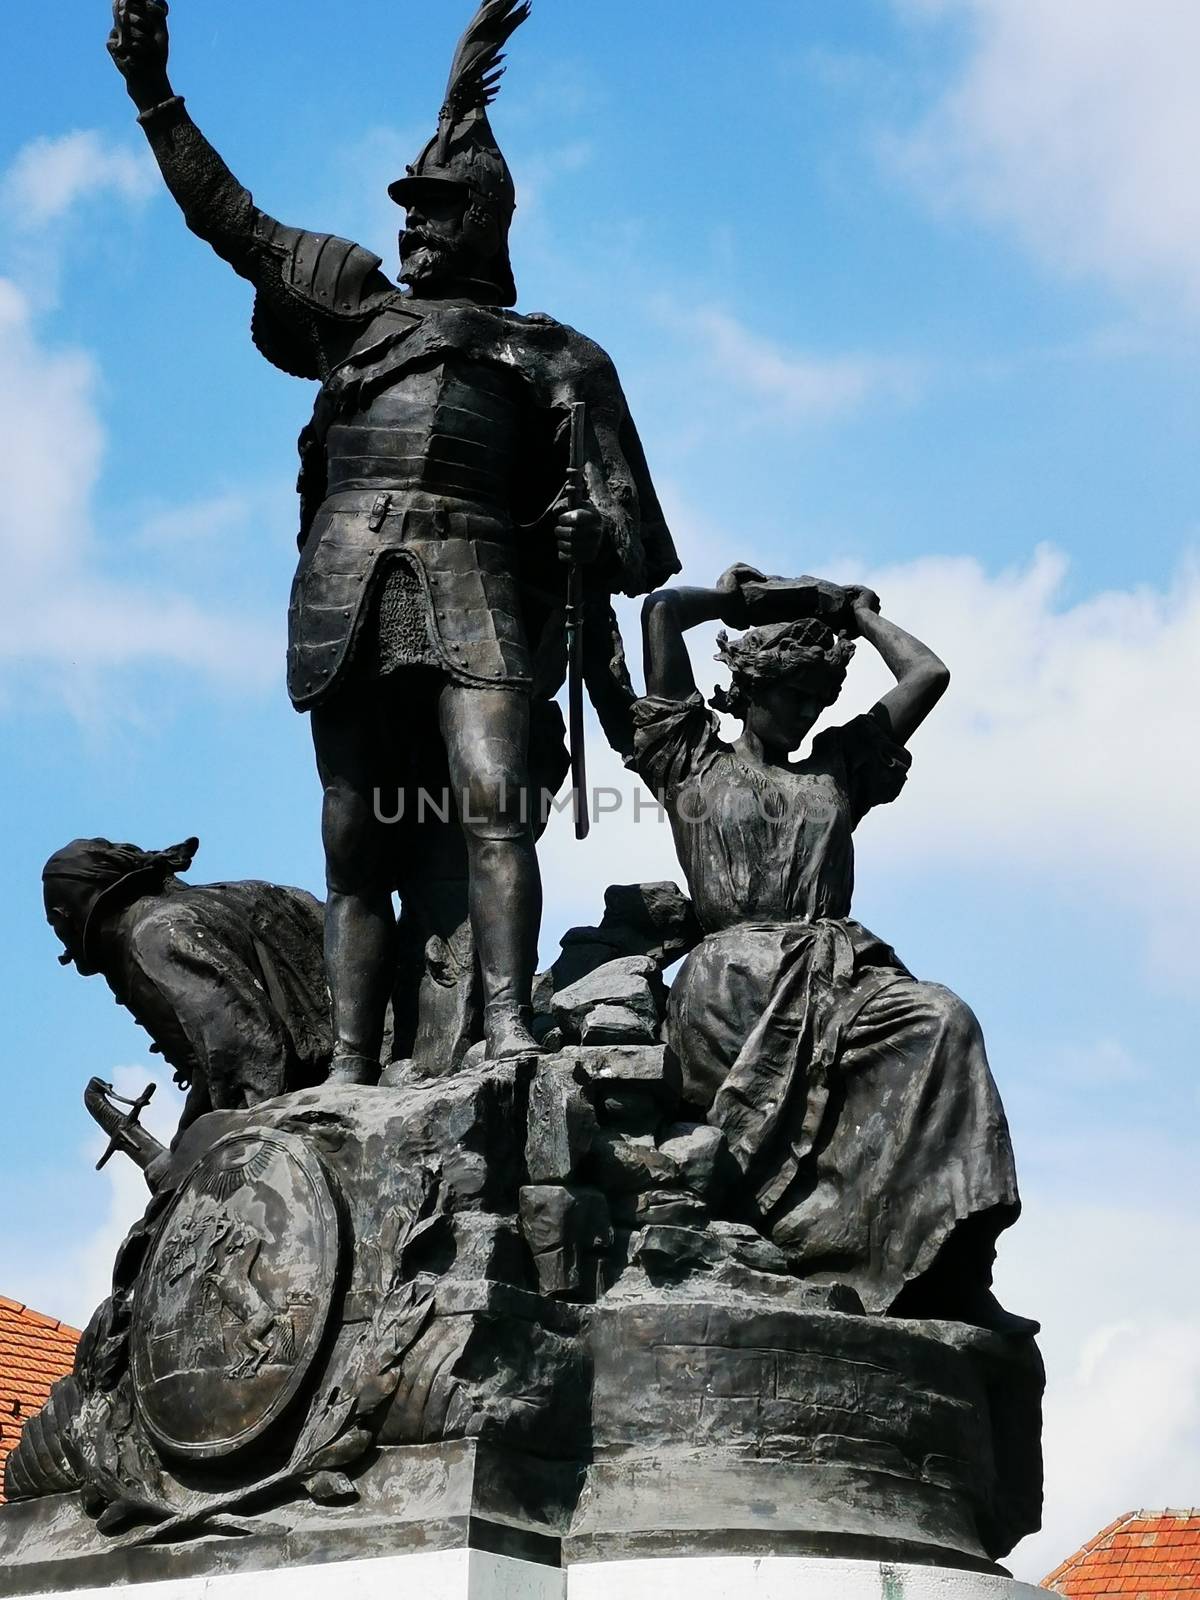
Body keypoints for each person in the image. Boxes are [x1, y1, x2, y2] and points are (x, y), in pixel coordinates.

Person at [107, 0, 678, 1073]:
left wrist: (579, 527)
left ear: (488, 222)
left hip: (482, 584)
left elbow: (622, 535)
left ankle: (506, 1025)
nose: (415, 228)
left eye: (438, 212)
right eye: (409, 212)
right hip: (348, 580)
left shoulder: (555, 357)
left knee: (495, 809)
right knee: (352, 835)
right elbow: (229, 219)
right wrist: (154, 95)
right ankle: (356, 1060)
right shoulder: (353, 310)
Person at [635, 568, 1027, 1329]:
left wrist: (859, 615)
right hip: (734, 984)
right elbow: (660, 612)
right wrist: (743, 601)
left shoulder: (839, 767)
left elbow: (928, 674)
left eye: (819, 701)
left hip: (834, 970)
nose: (807, 713)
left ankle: (952, 1263)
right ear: (748, 688)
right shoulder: (690, 762)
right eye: (792, 697)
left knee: (943, 1020)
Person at [43, 837, 330, 1138]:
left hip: (308, 1116)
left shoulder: (155, 937)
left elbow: (244, 1055)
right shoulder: (249, 891)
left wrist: (191, 1147)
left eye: (54, 923)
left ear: (69, 918)